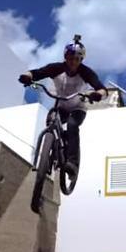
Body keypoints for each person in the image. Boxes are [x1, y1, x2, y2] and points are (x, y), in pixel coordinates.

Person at [18, 36, 107, 178]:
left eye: (77, 59)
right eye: (71, 58)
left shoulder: (86, 73)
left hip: (78, 107)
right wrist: (26, 76)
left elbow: (102, 89)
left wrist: (97, 95)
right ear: (65, 57)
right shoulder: (56, 68)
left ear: (81, 60)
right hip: (60, 105)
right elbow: (37, 73)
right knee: (51, 121)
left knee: (72, 126)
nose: (73, 62)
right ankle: (50, 152)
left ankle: (72, 163)